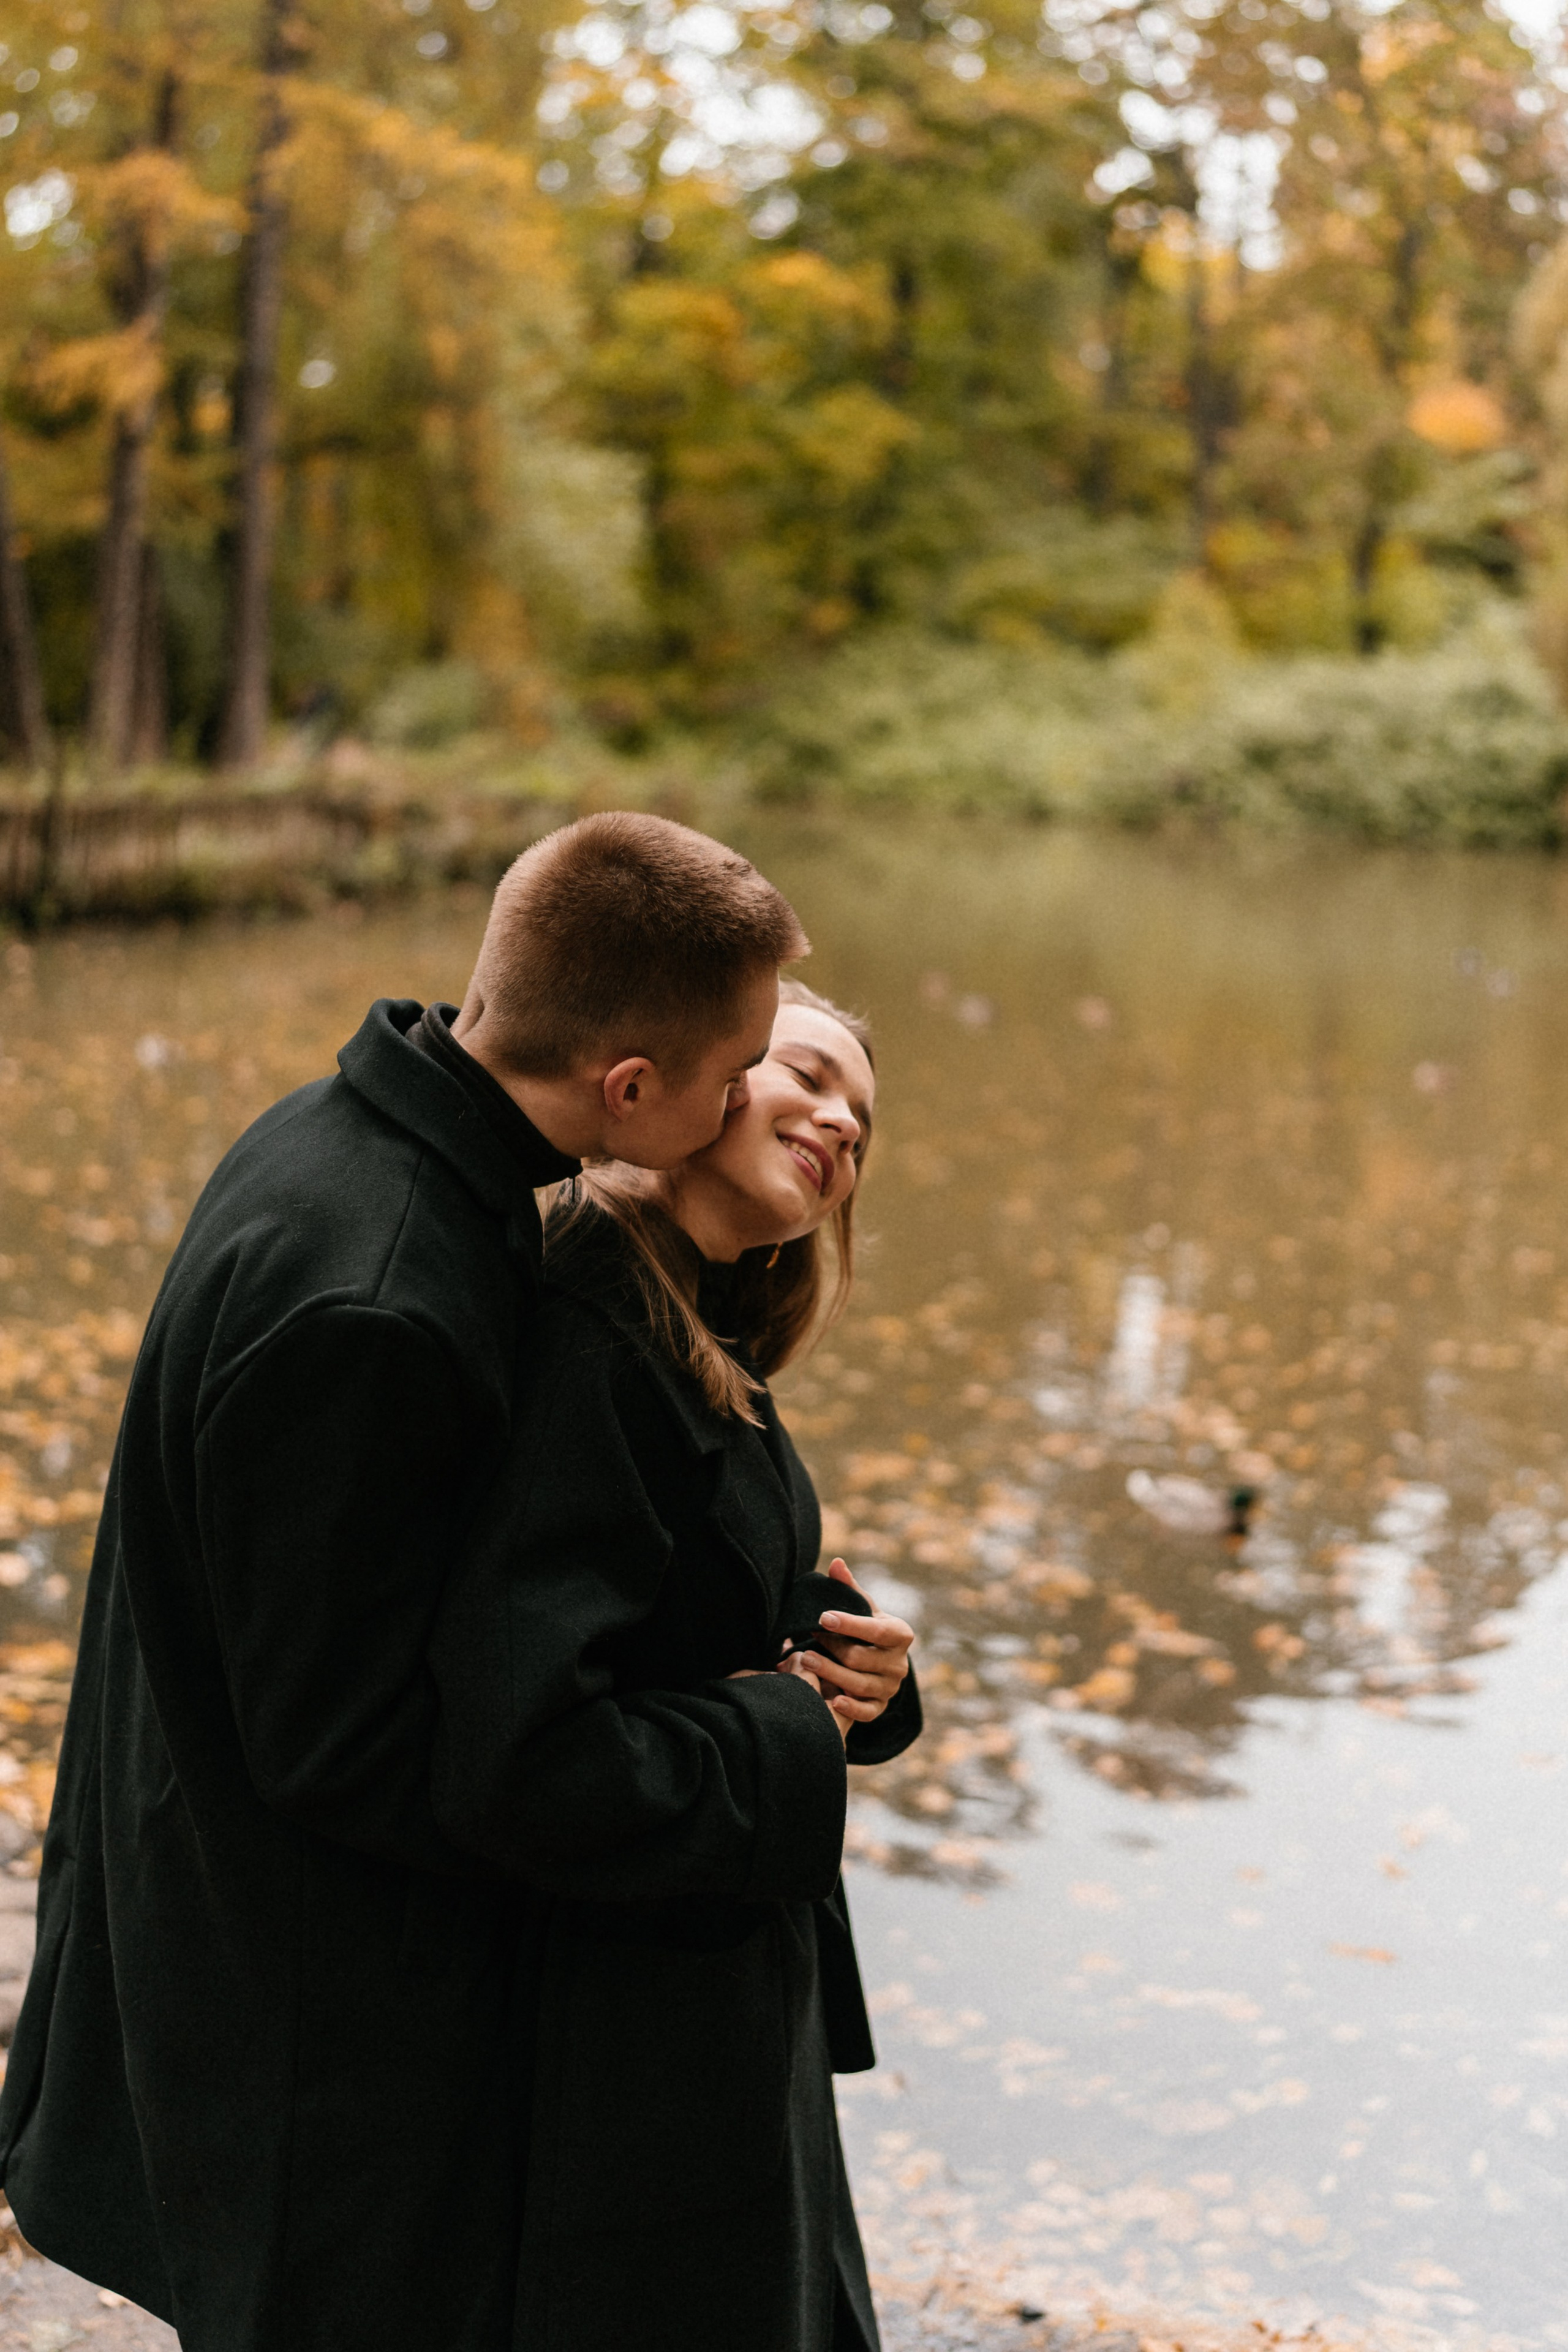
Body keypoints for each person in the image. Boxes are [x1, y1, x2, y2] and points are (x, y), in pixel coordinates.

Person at [0, 813, 809, 2350]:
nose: (744, 1099)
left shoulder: (343, 1137)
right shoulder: (377, 1296)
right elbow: (346, 1755)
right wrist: (753, 1745)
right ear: (628, 1087)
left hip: (247, 1963)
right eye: (734, 1069)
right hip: (298, 2043)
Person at [430, 978, 921, 2352]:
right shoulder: (591, 1334)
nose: (838, 1124)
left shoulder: (694, 1329)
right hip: (624, 2047)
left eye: (861, 1124)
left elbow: (677, 1605)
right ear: (697, 1081)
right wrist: (784, 1735)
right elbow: (525, 1750)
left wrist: (851, 1674)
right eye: (806, 1073)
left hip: (711, 1998)